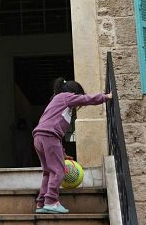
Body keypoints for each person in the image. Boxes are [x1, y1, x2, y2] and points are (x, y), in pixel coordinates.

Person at [33, 78, 112, 214]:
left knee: (48, 171)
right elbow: (86, 99)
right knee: (58, 170)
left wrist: (62, 154)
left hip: (40, 137)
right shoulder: (65, 97)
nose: (77, 102)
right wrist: (105, 97)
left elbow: (57, 135)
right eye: (77, 96)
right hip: (49, 136)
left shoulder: (56, 102)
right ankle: (51, 201)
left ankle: (41, 203)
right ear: (73, 93)